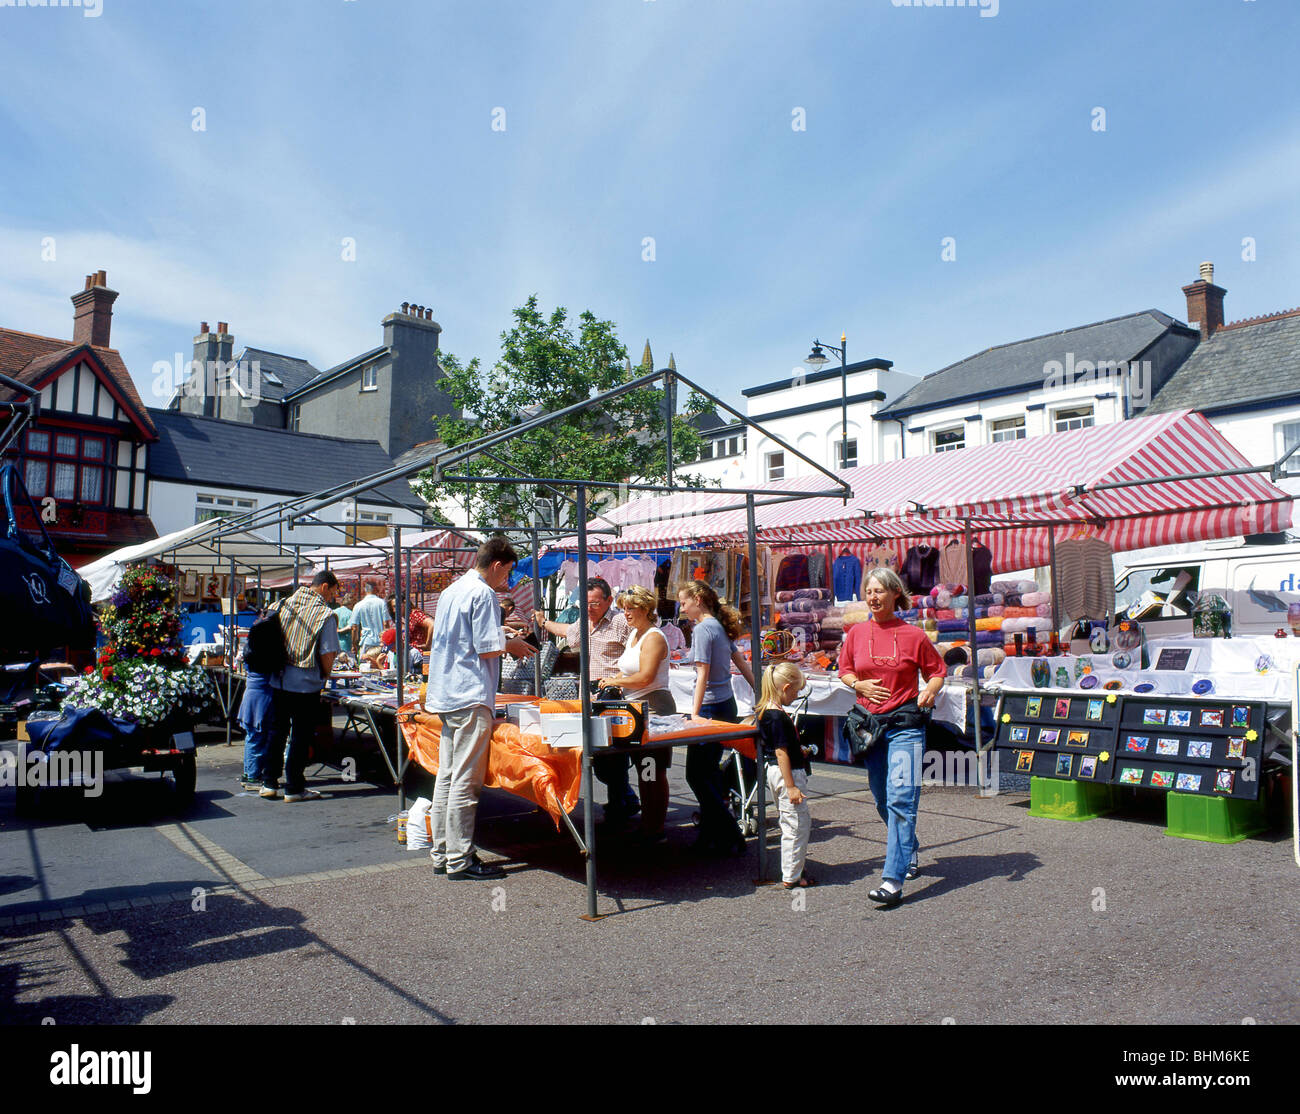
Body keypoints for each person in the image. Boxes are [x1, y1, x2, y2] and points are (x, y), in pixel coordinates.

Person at [426, 536, 537, 880]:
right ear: (497, 565)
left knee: (447, 776)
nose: (506, 581)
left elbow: (463, 636)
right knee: (465, 781)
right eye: (507, 573)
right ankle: (460, 857)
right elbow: (487, 649)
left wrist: (501, 633)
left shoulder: (452, 590)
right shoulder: (484, 593)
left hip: (447, 693)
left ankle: (443, 852)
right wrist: (513, 643)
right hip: (470, 694)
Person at [838, 566, 945, 908]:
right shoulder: (855, 632)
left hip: (905, 727)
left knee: (901, 800)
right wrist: (858, 684)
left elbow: (937, 671)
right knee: (882, 799)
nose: (873, 597)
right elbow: (844, 670)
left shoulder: (914, 635)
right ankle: (908, 847)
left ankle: (892, 879)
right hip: (869, 727)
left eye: (880, 591)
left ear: (895, 593)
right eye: (869, 591)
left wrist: (930, 688)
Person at [533, 578, 638, 825]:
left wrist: (621, 680)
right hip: (587, 695)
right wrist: (543, 622)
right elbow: (565, 631)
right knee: (598, 755)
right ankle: (626, 797)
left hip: (613, 695)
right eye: (585, 604)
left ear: (609, 601)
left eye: (594, 603)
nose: (589, 608)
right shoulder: (584, 622)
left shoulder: (621, 622)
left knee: (613, 754)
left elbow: (639, 648)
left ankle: (620, 805)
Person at [677, 580, 756, 855]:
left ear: (698, 599)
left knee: (696, 775)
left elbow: (702, 674)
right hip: (726, 705)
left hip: (711, 707)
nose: (682, 607)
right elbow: (741, 662)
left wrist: (695, 714)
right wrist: (760, 689)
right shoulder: (718, 626)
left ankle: (729, 832)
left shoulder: (702, 629)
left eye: (684, 602)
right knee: (707, 774)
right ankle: (712, 835)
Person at [598, 585, 676, 843]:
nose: (626, 612)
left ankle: (655, 828)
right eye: (623, 608)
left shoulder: (653, 637)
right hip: (635, 708)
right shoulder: (635, 635)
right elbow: (630, 673)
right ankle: (649, 825)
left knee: (652, 769)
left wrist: (615, 683)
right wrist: (611, 680)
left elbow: (645, 677)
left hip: (654, 707)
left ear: (645, 609)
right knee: (645, 770)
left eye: (630, 608)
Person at [261, 570, 341, 803]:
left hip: (279, 678)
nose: (333, 598)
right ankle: (294, 787)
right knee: (300, 735)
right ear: (325, 587)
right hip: (306, 684)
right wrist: (326, 675)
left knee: (277, 732)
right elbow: (328, 653)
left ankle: (269, 783)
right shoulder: (324, 614)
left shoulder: (282, 603)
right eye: (334, 592)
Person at [754, 662, 816, 888]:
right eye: (796, 691)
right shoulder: (778, 716)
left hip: (774, 772)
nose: (796, 695)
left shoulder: (764, 711)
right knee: (797, 825)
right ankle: (792, 875)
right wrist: (791, 786)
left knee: (789, 822)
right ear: (786, 687)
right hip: (788, 773)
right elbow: (781, 752)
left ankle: (794, 869)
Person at [352, 580, 388, 659]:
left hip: (367, 641)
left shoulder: (359, 605)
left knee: (366, 666)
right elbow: (386, 623)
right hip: (381, 641)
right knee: (381, 665)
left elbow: (354, 627)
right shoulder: (382, 603)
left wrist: (354, 644)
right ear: (375, 589)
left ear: (365, 590)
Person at [333, 591, 357, 658]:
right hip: (346, 644)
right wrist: (353, 644)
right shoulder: (351, 613)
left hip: (335, 643)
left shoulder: (334, 612)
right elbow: (353, 628)